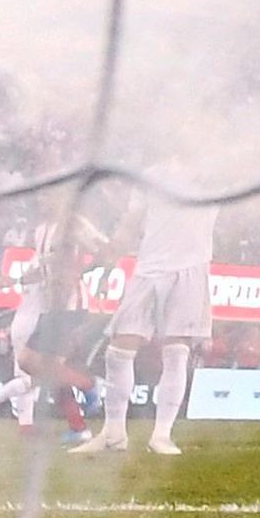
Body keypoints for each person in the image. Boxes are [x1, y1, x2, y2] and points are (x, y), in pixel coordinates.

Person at [100, 185, 222, 458]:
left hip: (190, 268)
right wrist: (112, 248)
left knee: (177, 352)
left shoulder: (215, 172)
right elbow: (131, 222)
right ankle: (114, 432)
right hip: (148, 268)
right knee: (119, 351)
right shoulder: (151, 176)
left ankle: (162, 434)